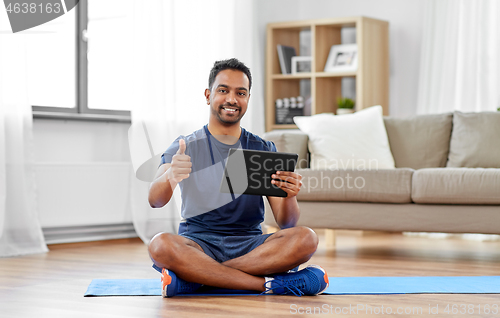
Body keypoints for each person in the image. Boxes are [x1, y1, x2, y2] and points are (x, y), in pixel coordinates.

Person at [147, 58, 328, 297]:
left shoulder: (262, 148)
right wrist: (171, 174)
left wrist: (290, 196)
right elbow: (155, 200)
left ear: (247, 99)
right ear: (208, 95)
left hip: (251, 247)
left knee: (307, 239)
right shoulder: (185, 146)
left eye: (240, 93)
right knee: (159, 245)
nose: (232, 99)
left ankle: (196, 279)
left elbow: (287, 223)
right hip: (199, 245)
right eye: (223, 90)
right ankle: (270, 284)